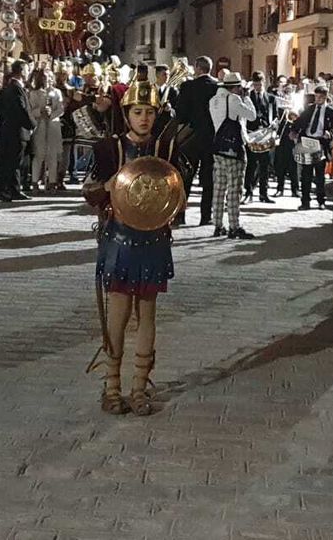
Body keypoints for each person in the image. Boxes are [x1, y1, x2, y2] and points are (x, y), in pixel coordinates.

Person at [83, 67, 185, 416]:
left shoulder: (165, 148)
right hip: (120, 239)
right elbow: (90, 192)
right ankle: (112, 386)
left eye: (150, 112)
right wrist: (106, 188)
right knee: (118, 316)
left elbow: (178, 194)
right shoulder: (109, 148)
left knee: (148, 315)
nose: (144, 118)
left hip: (153, 241)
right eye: (137, 112)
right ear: (126, 114)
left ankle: (140, 387)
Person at [208, 71, 256, 239]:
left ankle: (217, 224)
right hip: (234, 149)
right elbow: (252, 115)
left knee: (219, 188)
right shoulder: (234, 99)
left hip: (218, 148)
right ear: (235, 88)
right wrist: (247, 98)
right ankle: (234, 226)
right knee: (235, 189)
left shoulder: (213, 100)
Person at [175, 57, 219, 226]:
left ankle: (180, 215)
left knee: (186, 176)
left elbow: (181, 113)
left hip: (191, 137)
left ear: (197, 68)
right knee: (209, 179)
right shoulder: (217, 87)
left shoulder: (188, 86)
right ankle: (206, 216)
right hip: (211, 137)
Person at [0, 59, 34, 201]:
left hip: (7, 129)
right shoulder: (16, 89)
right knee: (12, 162)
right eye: (27, 70)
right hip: (16, 131)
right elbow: (22, 110)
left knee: (15, 161)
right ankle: (3, 189)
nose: (29, 73)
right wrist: (32, 124)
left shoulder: (6, 88)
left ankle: (14, 189)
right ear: (22, 71)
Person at [294, 86, 333, 211]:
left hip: (320, 142)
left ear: (325, 97)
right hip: (308, 141)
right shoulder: (310, 109)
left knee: (320, 174)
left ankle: (321, 200)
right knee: (306, 173)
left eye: (320, 97)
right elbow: (300, 121)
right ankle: (305, 201)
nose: (317, 99)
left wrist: (330, 133)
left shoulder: (331, 111)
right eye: (316, 96)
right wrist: (294, 130)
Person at [27, 67, 65, 194]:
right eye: (44, 77)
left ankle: (52, 181)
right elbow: (31, 110)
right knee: (39, 154)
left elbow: (61, 109)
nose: (46, 79)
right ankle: (35, 181)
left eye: (48, 77)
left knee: (52, 155)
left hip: (53, 125)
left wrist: (52, 114)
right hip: (40, 125)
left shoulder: (57, 92)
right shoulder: (34, 93)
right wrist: (40, 112)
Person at [243, 72, 277, 202]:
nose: (257, 87)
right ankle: (249, 192)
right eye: (255, 84)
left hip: (265, 134)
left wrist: (273, 125)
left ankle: (264, 193)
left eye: (260, 84)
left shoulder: (271, 98)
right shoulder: (248, 97)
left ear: (264, 83)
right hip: (252, 133)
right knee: (251, 165)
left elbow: (275, 116)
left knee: (265, 165)